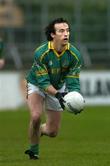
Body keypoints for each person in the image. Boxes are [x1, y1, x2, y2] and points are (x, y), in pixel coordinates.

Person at [25, 18, 83, 159]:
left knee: (52, 132)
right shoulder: (41, 53)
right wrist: (58, 95)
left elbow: (73, 81)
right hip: (37, 84)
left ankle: (37, 131)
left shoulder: (75, 55)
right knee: (36, 116)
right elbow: (43, 83)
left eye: (67, 30)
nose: (66, 34)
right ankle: (34, 150)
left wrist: (76, 99)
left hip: (58, 87)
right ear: (52, 34)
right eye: (61, 31)